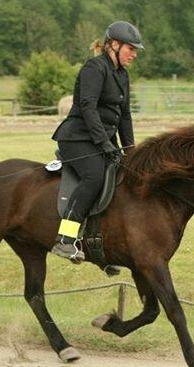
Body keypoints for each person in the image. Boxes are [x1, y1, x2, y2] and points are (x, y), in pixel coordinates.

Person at [50, 21, 143, 261]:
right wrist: (106, 145)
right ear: (113, 45)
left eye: (135, 50)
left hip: (100, 140)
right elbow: (89, 109)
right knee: (95, 176)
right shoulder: (94, 68)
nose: (134, 54)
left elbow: (125, 115)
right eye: (130, 49)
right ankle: (65, 239)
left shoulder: (122, 74)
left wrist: (130, 150)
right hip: (76, 138)